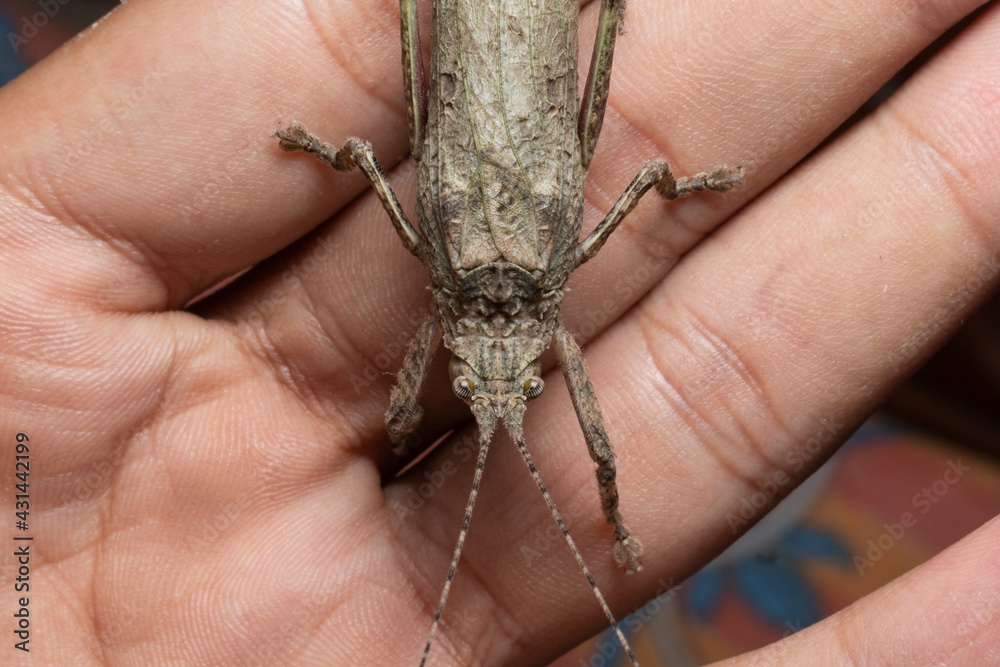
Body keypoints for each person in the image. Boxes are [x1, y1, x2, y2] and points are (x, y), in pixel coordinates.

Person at [1, 1, 998, 664]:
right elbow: (374, 160)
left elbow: (375, 162)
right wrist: (331, 152)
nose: (492, 398)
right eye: (498, 389)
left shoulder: (465, 267)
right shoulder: (485, 280)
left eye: (494, 388)